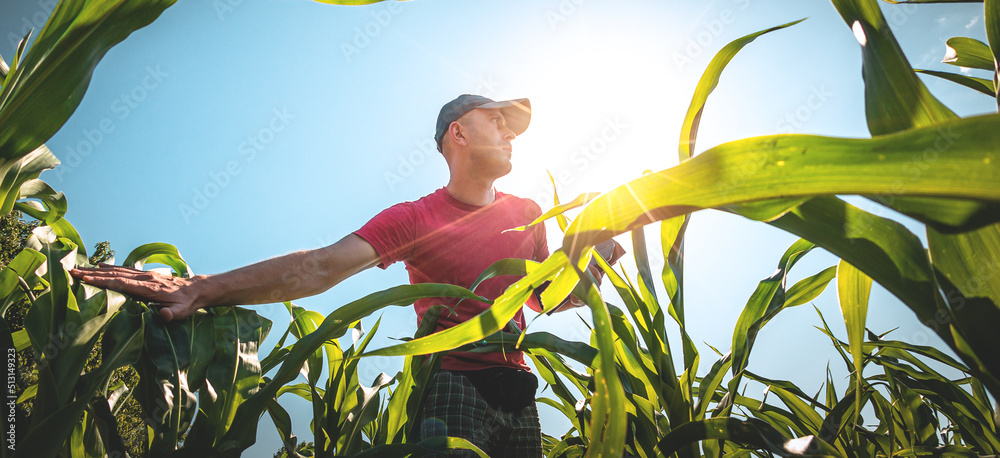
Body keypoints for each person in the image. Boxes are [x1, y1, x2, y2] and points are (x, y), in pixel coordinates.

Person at [71, 94, 623, 457]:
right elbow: (320, 268)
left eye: (511, 126)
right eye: (496, 120)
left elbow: (546, 298)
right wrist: (201, 287)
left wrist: (591, 262)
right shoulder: (415, 218)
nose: (509, 133)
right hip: (454, 386)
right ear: (458, 132)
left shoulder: (527, 212)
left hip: (520, 396)